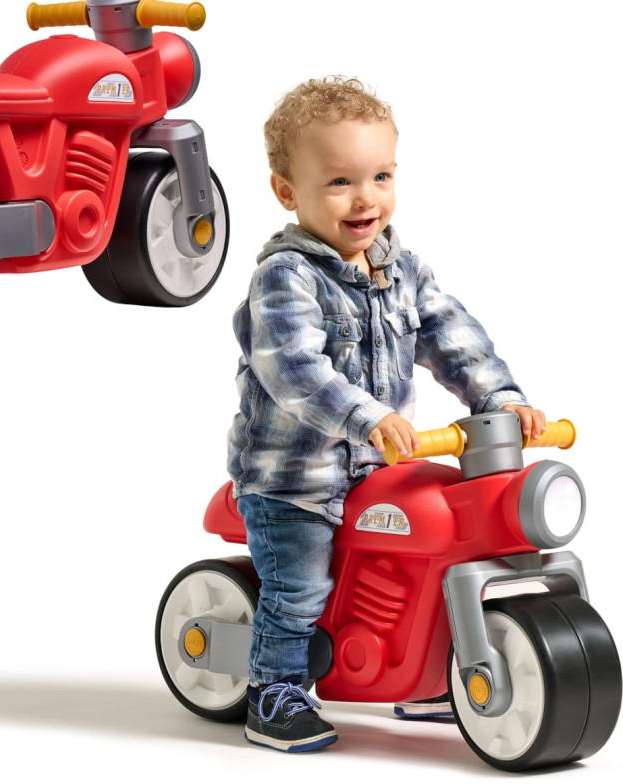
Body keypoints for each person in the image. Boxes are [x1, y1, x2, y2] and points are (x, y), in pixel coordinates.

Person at [226, 76, 545, 753]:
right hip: (295, 481)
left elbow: (453, 338)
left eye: (380, 176)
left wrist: (500, 398)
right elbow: (293, 369)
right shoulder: (285, 278)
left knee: (433, 547)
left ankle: (422, 674)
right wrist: (366, 415)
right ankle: (273, 692)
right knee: (299, 586)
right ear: (287, 191)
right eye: (339, 181)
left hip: (378, 468)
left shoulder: (403, 271)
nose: (365, 197)